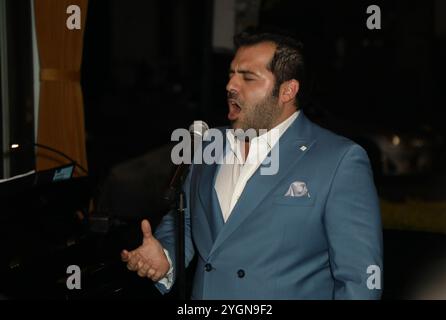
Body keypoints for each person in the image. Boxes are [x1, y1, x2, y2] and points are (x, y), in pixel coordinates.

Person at [121, 29, 383, 299]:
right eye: (231, 75)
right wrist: (165, 256)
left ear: (287, 90)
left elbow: (360, 279)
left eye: (248, 77)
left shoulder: (339, 160)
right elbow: (187, 221)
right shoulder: (208, 144)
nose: (231, 86)